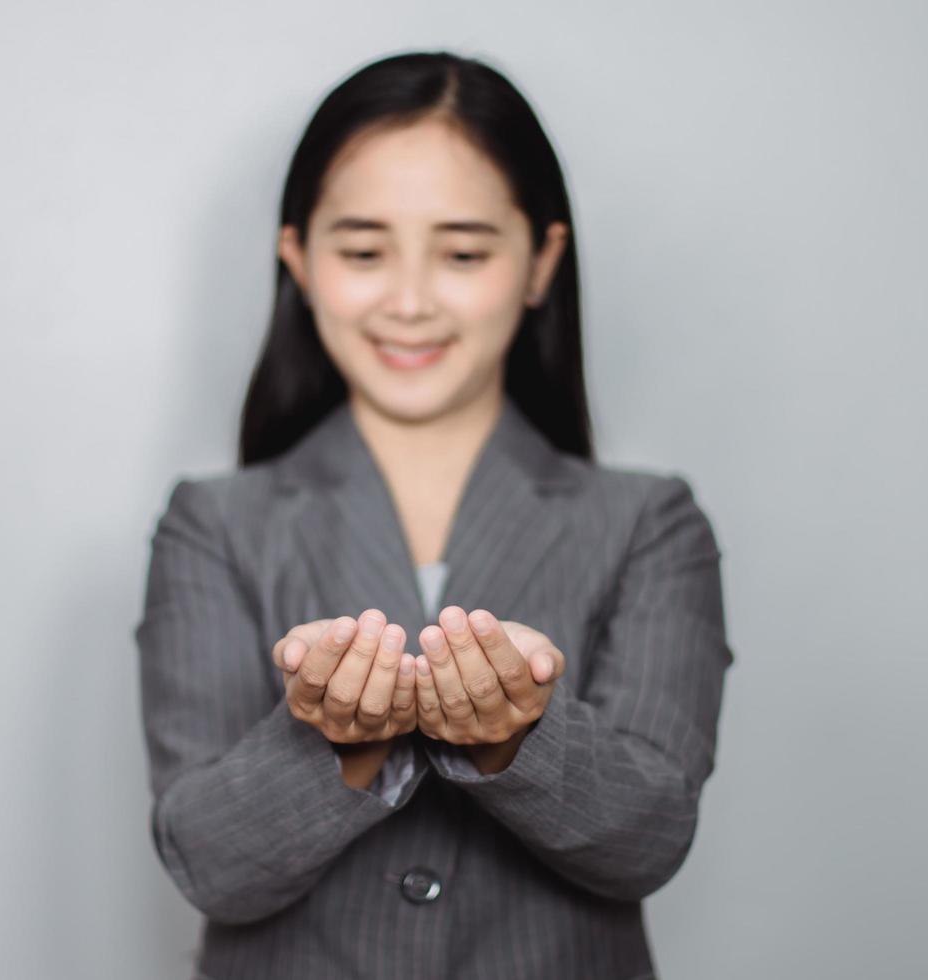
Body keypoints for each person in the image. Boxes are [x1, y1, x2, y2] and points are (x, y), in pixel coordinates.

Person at [133, 49, 734, 980]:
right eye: (364, 251)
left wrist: (515, 739)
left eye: (462, 252)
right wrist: (334, 744)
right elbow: (208, 863)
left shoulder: (647, 523)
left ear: (540, 261)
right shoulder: (213, 524)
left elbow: (649, 838)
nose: (408, 302)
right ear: (297, 258)